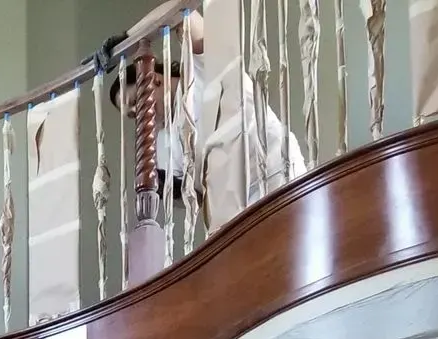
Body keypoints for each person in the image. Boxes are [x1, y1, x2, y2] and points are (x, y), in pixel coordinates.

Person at [103, 5, 308, 214]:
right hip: (233, 209)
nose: (139, 113)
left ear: (154, 79)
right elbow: (194, 196)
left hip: (275, 171)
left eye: (134, 101)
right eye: (131, 115)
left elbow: (182, 11)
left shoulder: (202, 67)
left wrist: (125, 39)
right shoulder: (163, 144)